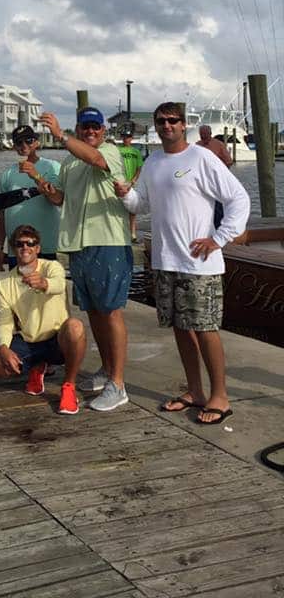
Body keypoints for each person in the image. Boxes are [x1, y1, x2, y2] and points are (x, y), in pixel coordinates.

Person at [116, 102, 249, 425]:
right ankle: (195, 391)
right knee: (179, 328)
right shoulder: (153, 161)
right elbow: (143, 204)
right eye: (161, 121)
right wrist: (124, 195)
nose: (166, 126)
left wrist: (219, 238)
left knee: (205, 330)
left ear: (183, 123)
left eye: (172, 121)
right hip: (165, 260)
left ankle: (220, 396)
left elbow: (238, 199)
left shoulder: (201, 158)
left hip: (198, 263)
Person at [38, 107, 132, 412]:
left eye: (95, 126)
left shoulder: (109, 152)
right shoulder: (68, 162)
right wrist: (46, 189)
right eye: (85, 126)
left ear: (103, 131)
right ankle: (106, 369)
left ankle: (118, 384)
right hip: (78, 246)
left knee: (111, 311)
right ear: (79, 129)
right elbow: (60, 198)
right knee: (93, 310)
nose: (91, 131)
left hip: (107, 241)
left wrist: (59, 135)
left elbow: (95, 160)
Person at [0, 224, 85, 415]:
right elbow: (4, 321)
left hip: (57, 340)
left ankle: (69, 386)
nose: (26, 247)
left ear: (38, 248)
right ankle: (37, 366)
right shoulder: (4, 284)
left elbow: (59, 284)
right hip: (30, 342)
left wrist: (44, 283)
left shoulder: (52, 267)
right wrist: (3, 348)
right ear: (14, 249)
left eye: (30, 243)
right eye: (20, 244)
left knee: (75, 327)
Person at [0, 124, 60, 271]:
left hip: (45, 248)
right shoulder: (7, 174)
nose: (24, 145)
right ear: (14, 146)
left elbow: (57, 200)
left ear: (36, 142)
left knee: (45, 291)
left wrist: (36, 176)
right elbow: (2, 213)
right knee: (18, 293)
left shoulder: (52, 167)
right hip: (16, 250)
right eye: (19, 142)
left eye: (29, 140)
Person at [196, 124, 233, 228]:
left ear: (210, 134)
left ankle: (220, 228)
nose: (203, 137)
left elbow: (229, 162)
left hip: (216, 181)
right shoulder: (196, 146)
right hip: (202, 181)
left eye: (205, 135)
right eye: (202, 135)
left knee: (218, 207)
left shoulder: (219, 145)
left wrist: (220, 174)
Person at [118, 129, 144, 243]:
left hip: (132, 183)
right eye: (124, 137)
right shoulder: (117, 150)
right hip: (121, 182)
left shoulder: (136, 152)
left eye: (128, 137)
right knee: (119, 208)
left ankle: (133, 234)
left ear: (131, 138)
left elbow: (139, 168)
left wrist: (133, 180)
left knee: (132, 209)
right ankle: (120, 233)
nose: (126, 139)